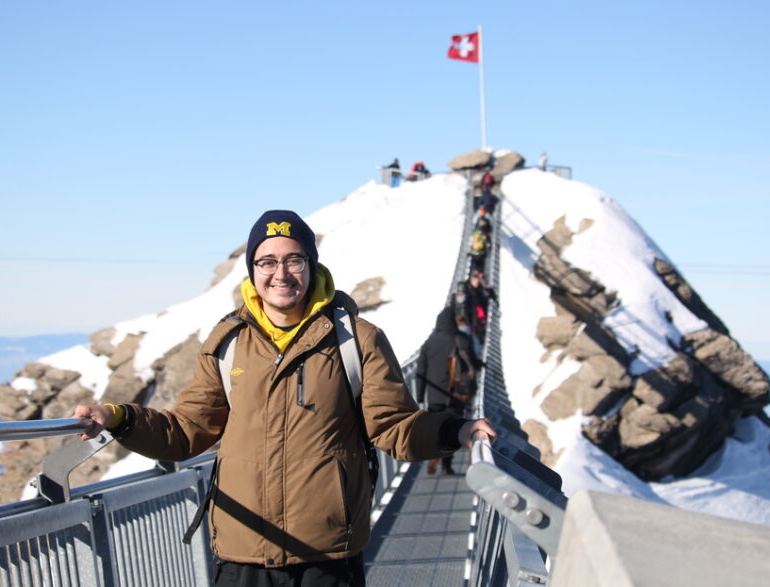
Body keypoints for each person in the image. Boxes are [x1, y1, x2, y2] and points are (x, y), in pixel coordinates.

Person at [74, 209, 496, 586]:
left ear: (312, 265)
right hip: (243, 553)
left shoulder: (356, 340)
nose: (281, 273)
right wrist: (119, 418)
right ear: (252, 270)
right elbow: (187, 431)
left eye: (294, 259)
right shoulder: (228, 343)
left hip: (326, 554)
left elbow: (393, 427)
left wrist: (456, 430)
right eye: (268, 261)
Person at [416, 307, 479, 475]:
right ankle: (447, 464)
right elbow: (472, 362)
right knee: (451, 431)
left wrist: (420, 395)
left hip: (434, 396)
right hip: (455, 395)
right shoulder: (460, 339)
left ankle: (433, 455)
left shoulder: (429, 342)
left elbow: (421, 370)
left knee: (434, 429)